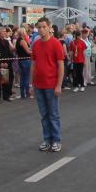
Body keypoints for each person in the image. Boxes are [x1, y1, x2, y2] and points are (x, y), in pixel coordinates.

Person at [29, 17, 65, 152]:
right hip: (38, 85)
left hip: (51, 85)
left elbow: (60, 65)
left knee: (53, 114)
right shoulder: (36, 44)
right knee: (44, 114)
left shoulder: (56, 44)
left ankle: (56, 140)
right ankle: (47, 139)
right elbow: (33, 64)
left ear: (50, 28)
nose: (41, 29)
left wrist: (58, 85)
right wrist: (31, 84)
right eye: (39, 27)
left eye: (44, 27)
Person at [16, 27, 34, 99]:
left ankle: (23, 93)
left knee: (23, 77)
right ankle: (27, 93)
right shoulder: (22, 41)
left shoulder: (18, 40)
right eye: (25, 32)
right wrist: (34, 51)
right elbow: (28, 51)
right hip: (25, 60)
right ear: (23, 33)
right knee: (26, 77)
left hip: (21, 60)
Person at [69, 28, 87, 93]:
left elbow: (84, 52)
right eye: (78, 35)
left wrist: (84, 61)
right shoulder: (72, 42)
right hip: (75, 60)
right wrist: (71, 60)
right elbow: (71, 52)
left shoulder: (82, 42)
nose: (79, 36)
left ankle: (82, 85)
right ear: (76, 35)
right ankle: (76, 86)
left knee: (80, 73)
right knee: (75, 74)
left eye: (80, 35)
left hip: (81, 60)